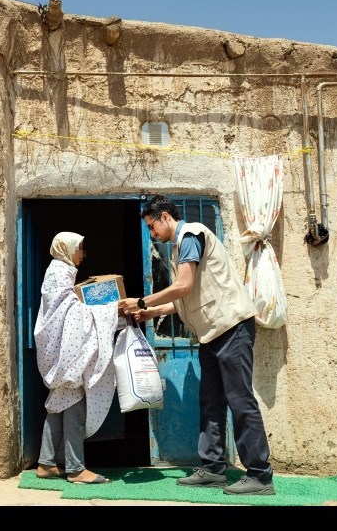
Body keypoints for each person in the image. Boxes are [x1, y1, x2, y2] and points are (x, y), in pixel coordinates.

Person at [120, 195, 274, 496]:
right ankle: (214, 468)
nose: (152, 235)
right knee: (211, 401)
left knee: (240, 401)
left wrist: (141, 300)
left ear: (165, 217)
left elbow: (184, 286)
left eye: (152, 227)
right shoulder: (180, 250)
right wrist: (150, 312)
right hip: (212, 333)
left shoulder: (190, 235)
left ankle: (260, 475)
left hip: (231, 327)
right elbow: (184, 300)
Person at [34, 232, 118, 485]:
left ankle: (46, 463)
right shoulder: (60, 270)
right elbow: (69, 314)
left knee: (58, 404)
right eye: (79, 248)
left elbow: (66, 307)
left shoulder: (61, 271)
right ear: (66, 249)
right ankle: (76, 469)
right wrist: (109, 307)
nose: (82, 254)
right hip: (66, 355)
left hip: (61, 353)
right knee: (74, 409)